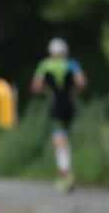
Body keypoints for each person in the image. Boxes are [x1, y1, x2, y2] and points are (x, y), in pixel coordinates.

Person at [31, 37, 87, 193]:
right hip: (70, 105)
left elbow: (35, 87)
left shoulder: (45, 65)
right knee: (64, 138)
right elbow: (81, 83)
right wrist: (75, 93)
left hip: (55, 105)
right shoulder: (72, 63)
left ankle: (65, 173)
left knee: (58, 140)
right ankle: (65, 172)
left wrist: (45, 92)